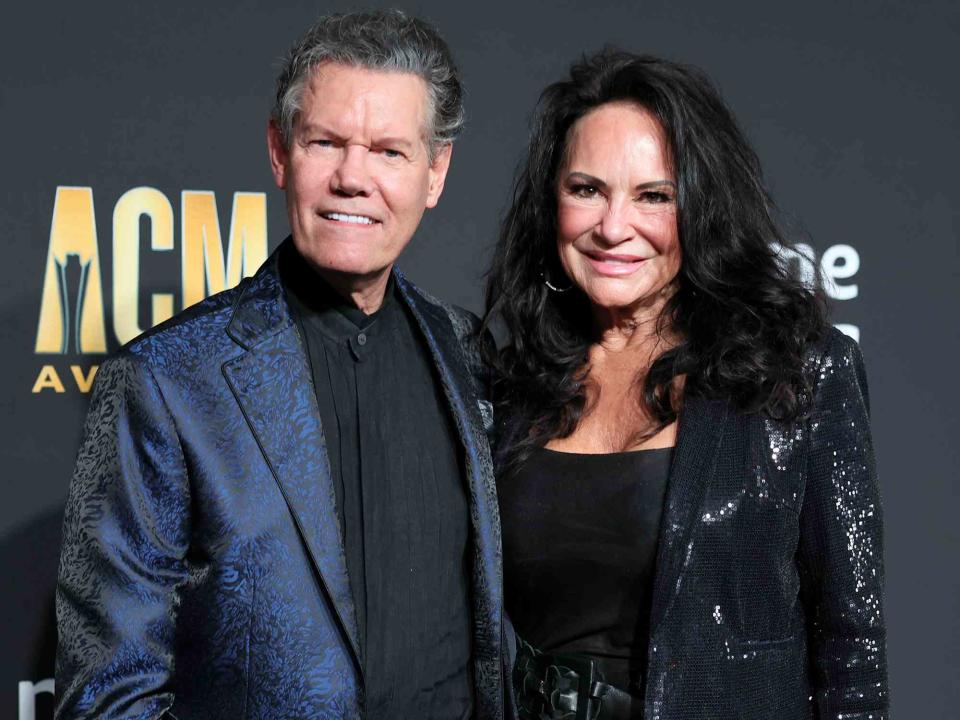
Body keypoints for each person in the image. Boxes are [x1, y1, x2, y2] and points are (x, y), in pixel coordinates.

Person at [55, 10, 510, 720]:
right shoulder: (168, 379)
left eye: (390, 151)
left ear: (436, 172)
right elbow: (108, 693)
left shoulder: (468, 356)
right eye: (326, 142)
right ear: (279, 151)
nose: (353, 178)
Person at [485, 51, 888, 719]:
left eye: (654, 196)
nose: (614, 228)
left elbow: (853, 650)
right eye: (586, 189)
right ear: (550, 201)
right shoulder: (507, 388)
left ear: (702, 206)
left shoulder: (799, 373)